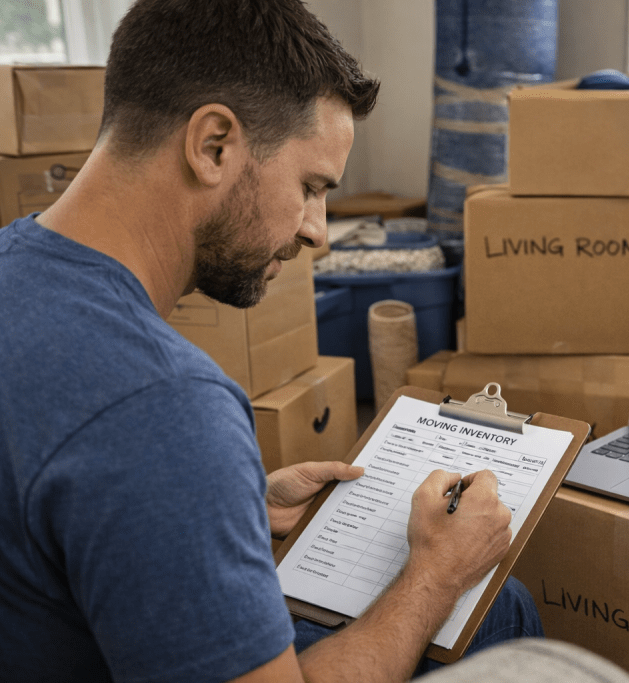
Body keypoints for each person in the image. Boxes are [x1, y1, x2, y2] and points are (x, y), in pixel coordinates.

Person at [0, 1, 542, 681]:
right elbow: (129, 436)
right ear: (214, 145)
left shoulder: (14, 263)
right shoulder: (164, 403)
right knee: (499, 609)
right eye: (312, 186)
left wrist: (225, 501)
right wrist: (436, 573)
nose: (318, 230)